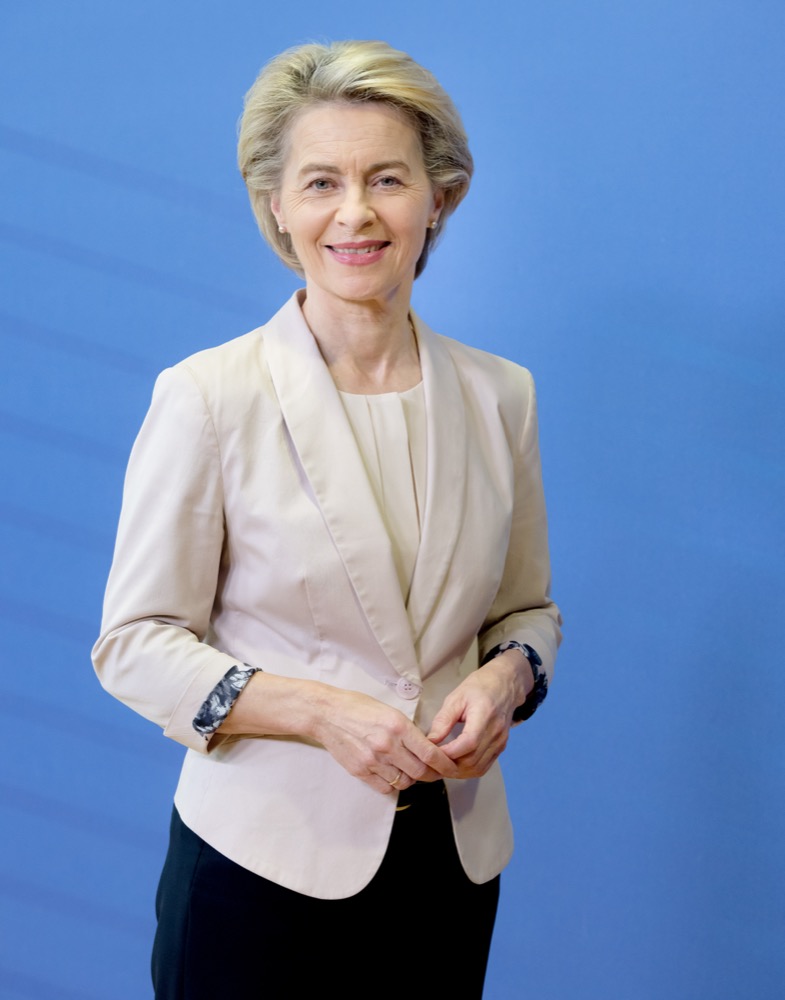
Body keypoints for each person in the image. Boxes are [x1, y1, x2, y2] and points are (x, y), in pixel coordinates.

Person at [92, 39, 561, 999]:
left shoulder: (501, 395)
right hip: (256, 871)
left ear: (439, 197)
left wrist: (509, 677)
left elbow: (526, 610)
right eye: (320, 183)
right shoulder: (208, 396)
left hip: (450, 867)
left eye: (386, 178)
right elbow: (134, 644)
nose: (354, 213)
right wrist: (318, 713)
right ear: (276, 205)